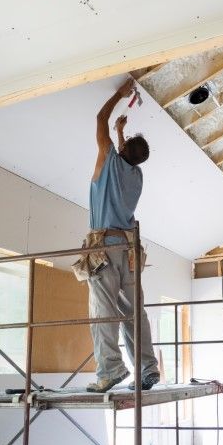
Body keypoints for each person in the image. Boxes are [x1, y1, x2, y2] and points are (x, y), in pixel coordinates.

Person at [85, 78, 160, 393]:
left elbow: (99, 119)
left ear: (124, 149)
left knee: (103, 310)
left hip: (104, 248)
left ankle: (111, 370)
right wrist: (120, 132)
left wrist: (120, 93)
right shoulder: (136, 175)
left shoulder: (109, 162)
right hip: (129, 251)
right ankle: (147, 368)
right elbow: (123, 153)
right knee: (133, 312)